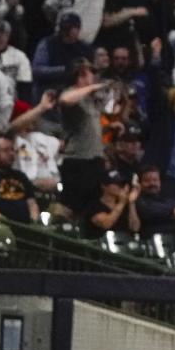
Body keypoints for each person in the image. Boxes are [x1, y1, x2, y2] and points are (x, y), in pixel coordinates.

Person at [58, 59, 107, 213]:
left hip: (94, 159)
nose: (93, 77)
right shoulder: (71, 93)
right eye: (89, 73)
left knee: (92, 206)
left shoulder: (90, 99)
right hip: (78, 160)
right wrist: (91, 87)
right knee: (72, 206)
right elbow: (65, 100)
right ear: (81, 76)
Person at [0, 132, 37, 223]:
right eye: (6, 150)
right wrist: (6, 223)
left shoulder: (20, 176)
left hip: (26, 228)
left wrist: (34, 222)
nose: (12, 154)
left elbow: (31, 203)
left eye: (12, 150)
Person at [135, 165, 175, 238]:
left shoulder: (168, 199)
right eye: (147, 180)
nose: (152, 183)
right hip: (151, 241)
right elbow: (149, 211)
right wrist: (172, 212)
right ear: (140, 183)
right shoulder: (138, 201)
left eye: (155, 180)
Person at [83, 170, 141, 240]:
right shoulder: (94, 206)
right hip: (99, 245)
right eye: (116, 184)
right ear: (104, 186)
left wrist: (131, 203)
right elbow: (106, 224)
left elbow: (135, 228)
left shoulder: (125, 205)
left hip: (124, 244)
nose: (120, 187)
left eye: (121, 184)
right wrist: (121, 203)